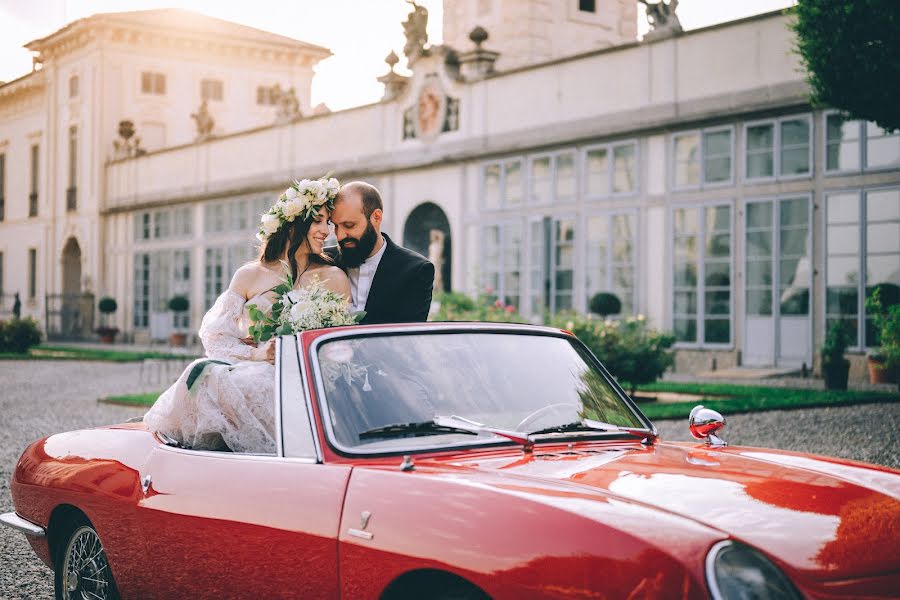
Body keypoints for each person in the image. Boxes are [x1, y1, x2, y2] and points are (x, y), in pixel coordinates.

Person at [144, 178, 349, 453]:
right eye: (318, 221)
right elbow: (216, 336)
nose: (326, 231)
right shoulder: (249, 275)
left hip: (307, 374)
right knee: (209, 373)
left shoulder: (333, 277)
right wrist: (258, 354)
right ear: (293, 223)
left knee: (253, 383)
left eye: (329, 224)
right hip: (256, 366)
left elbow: (341, 343)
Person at [331, 181, 435, 324]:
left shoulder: (416, 270)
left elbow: (407, 339)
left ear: (376, 217)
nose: (340, 235)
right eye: (336, 226)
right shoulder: (323, 261)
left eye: (349, 225)